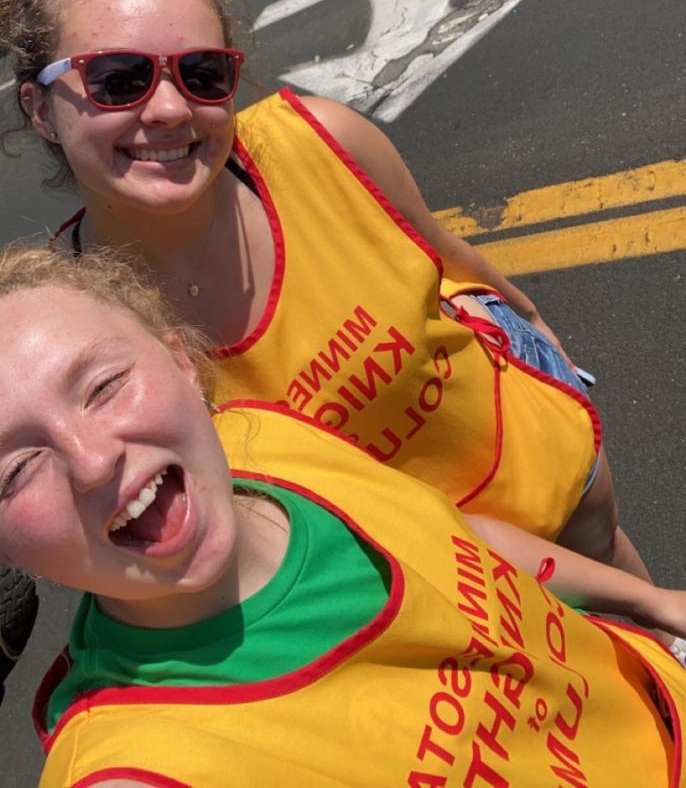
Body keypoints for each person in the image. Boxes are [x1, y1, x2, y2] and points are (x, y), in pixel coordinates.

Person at [0, 0, 665, 597]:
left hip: (539, 466)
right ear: (40, 109)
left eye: (203, 74)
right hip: (410, 602)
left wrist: (536, 332)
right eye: (117, 80)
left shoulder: (319, 141)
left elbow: (449, 257)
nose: (169, 108)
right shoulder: (64, 325)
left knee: (645, 622)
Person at [1, 242, 686, 787]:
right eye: (17, 469)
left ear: (181, 361)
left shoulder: (268, 441)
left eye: (105, 385)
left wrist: (652, 603)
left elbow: (449, 535)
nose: (93, 461)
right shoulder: (138, 761)